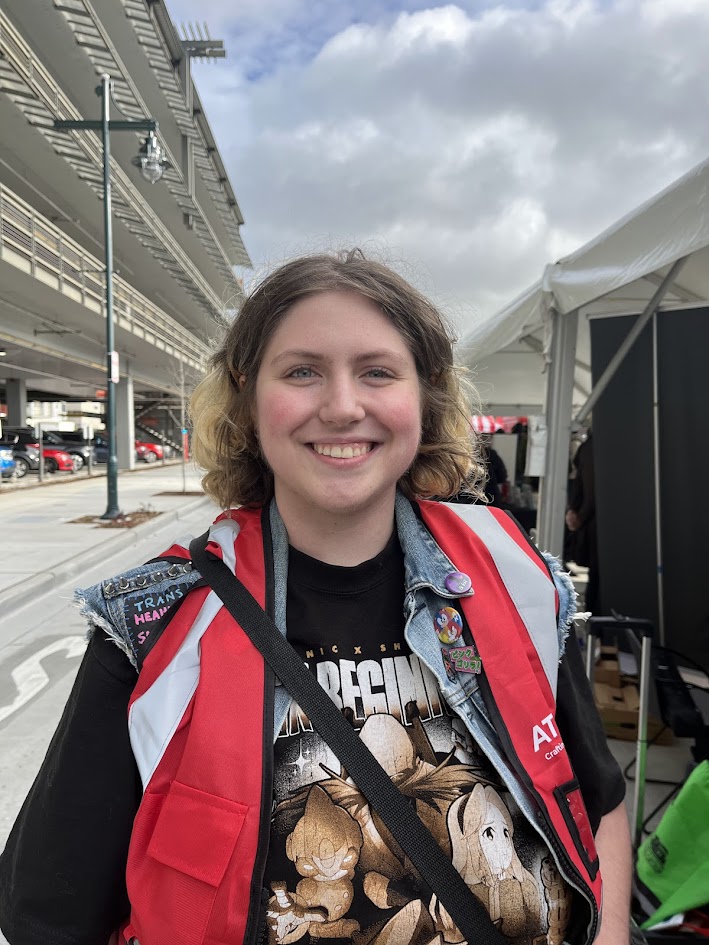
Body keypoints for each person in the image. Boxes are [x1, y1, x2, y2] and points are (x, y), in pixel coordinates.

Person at [0, 250, 631, 945]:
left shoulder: (514, 578)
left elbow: (597, 802)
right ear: (246, 397)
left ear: (425, 395)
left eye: (377, 371)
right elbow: (49, 912)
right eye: (301, 370)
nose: (340, 405)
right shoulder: (158, 623)